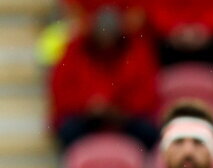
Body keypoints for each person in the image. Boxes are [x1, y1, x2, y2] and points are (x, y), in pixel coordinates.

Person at [49, 5, 160, 149]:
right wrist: (88, 107)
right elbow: (61, 90)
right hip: (84, 117)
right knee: (68, 131)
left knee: (148, 132)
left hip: (126, 117)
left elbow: (147, 93)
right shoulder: (74, 50)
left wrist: (118, 110)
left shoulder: (137, 50)